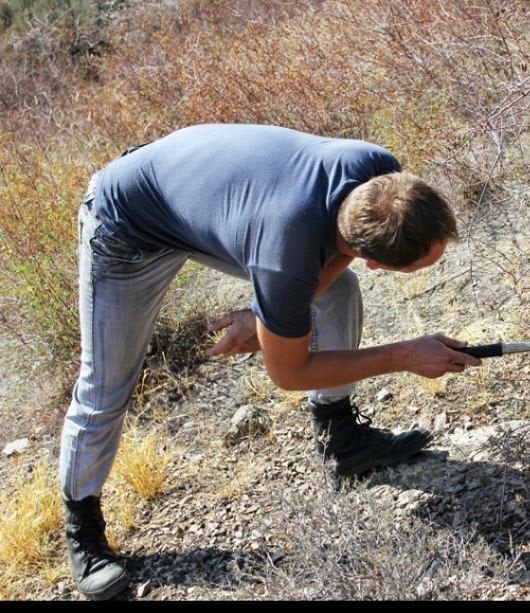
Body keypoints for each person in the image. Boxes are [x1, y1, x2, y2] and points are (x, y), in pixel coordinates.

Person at [59, 123, 482, 600]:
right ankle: (82, 528)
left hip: (196, 192)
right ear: (377, 262)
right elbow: (288, 373)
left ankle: (341, 439)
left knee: (336, 288)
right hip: (126, 225)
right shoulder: (285, 257)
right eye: (422, 264)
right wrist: (403, 355)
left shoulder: (377, 170)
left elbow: (340, 248)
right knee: (105, 385)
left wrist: (265, 317)